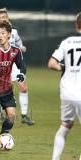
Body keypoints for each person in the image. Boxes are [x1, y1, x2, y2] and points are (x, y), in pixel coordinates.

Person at [0, 8, 34, 125]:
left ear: (7, 18)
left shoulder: (14, 31)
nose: (2, 19)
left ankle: (24, 116)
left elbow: (19, 44)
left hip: (13, 63)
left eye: (3, 17)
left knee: (23, 87)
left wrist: (22, 47)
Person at [48, 12, 81, 160]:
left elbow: (51, 64)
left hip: (67, 92)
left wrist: (64, 68)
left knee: (66, 125)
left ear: (76, 25)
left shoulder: (67, 42)